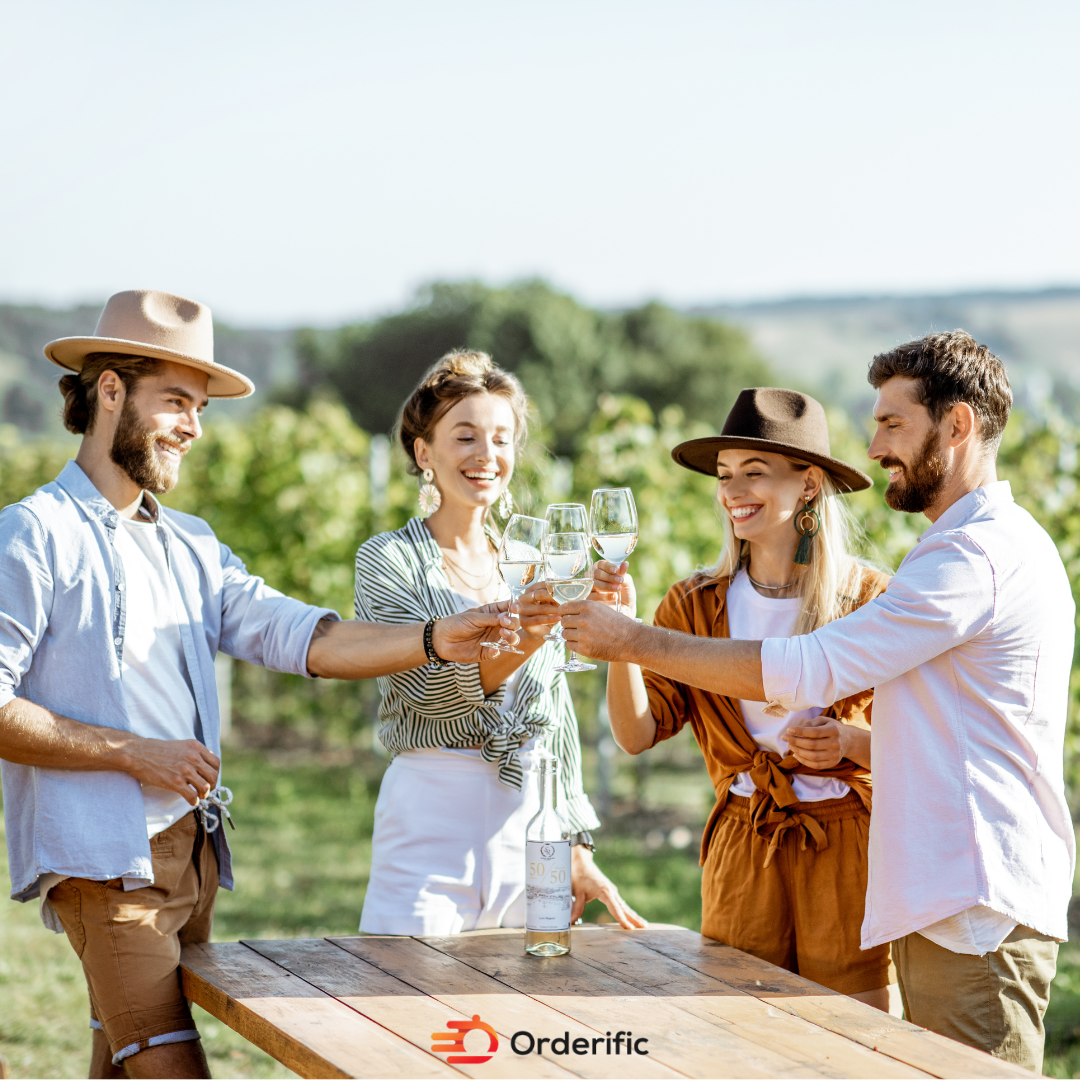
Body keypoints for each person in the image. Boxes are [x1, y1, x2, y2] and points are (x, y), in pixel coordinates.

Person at [0, 290, 521, 1080]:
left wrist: (432, 640)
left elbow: (299, 635)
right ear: (109, 390)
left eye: (201, 408)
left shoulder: (190, 544)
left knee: (123, 1060)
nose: (194, 428)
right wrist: (135, 754)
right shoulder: (34, 533)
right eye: (176, 401)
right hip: (109, 865)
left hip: (193, 854)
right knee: (169, 1062)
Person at [561, 331, 1073, 1072]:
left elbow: (812, 666)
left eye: (893, 424)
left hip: (970, 897)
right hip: (940, 890)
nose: (875, 446)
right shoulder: (963, 548)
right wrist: (634, 641)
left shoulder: (969, 557)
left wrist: (631, 640)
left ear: (956, 426)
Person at [600, 387, 898, 1011]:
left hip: (846, 846)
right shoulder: (692, 604)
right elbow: (634, 735)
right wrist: (623, 635)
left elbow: (921, 742)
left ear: (810, 484)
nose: (733, 491)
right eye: (725, 475)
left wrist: (849, 743)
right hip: (746, 840)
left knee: (856, 1039)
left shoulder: (871, 601)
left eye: (754, 474)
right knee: (740, 1035)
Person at [354, 349, 643, 935]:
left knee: (523, 1015)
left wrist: (576, 841)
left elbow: (554, 718)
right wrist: (531, 636)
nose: (487, 456)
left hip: (530, 828)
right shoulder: (387, 560)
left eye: (502, 439)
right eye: (465, 437)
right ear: (423, 452)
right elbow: (428, 691)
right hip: (431, 819)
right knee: (405, 1010)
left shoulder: (534, 565)